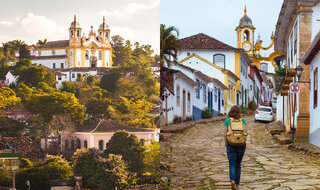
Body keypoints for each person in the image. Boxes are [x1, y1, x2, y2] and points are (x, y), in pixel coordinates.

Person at [224, 106, 248, 190]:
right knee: (238, 164)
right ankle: (237, 184)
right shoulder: (243, 121)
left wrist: (226, 144)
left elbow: (225, 133)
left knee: (232, 164)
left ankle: (232, 181)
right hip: (241, 145)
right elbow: (246, 132)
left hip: (231, 144)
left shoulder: (227, 120)